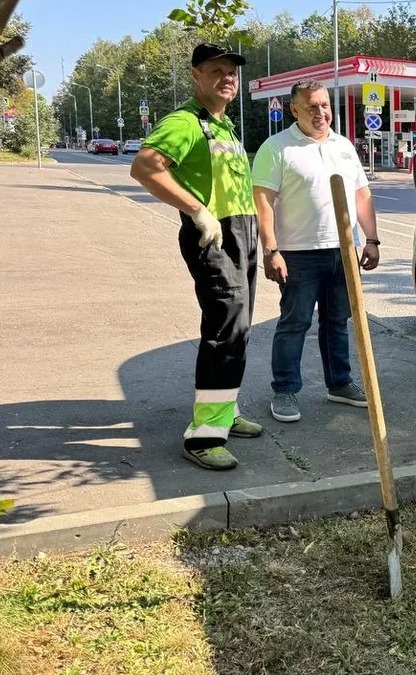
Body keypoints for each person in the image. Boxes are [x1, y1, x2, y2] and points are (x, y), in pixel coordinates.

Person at [130, 43, 264, 471]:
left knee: (239, 328)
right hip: (215, 237)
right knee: (226, 327)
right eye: (216, 70)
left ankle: (224, 412)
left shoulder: (224, 126)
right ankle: (203, 438)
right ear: (196, 75)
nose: (228, 78)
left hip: (244, 234)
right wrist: (197, 210)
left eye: (233, 72)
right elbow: (146, 167)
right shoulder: (185, 122)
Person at [250, 80, 381, 423]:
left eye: (324, 105)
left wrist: (372, 239)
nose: (320, 113)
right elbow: (263, 202)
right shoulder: (277, 148)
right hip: (298, 253)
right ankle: (285, 390)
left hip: (343, 250)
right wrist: (270, 249)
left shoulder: (344, 146)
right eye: (311, 107)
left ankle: (339, 384)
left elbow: (362, 195)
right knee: (296, 322)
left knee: (338, 321)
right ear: (294, 110)